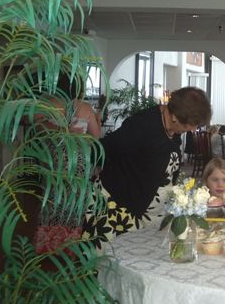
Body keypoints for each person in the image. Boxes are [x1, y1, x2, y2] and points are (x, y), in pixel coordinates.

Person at [84, 86, 212, 243]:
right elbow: (102, 150)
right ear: (175, 117)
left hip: (146, 213)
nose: (193, 129)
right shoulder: (142, 125)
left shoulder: (173, 130)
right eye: (190, 125)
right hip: (117, 210)